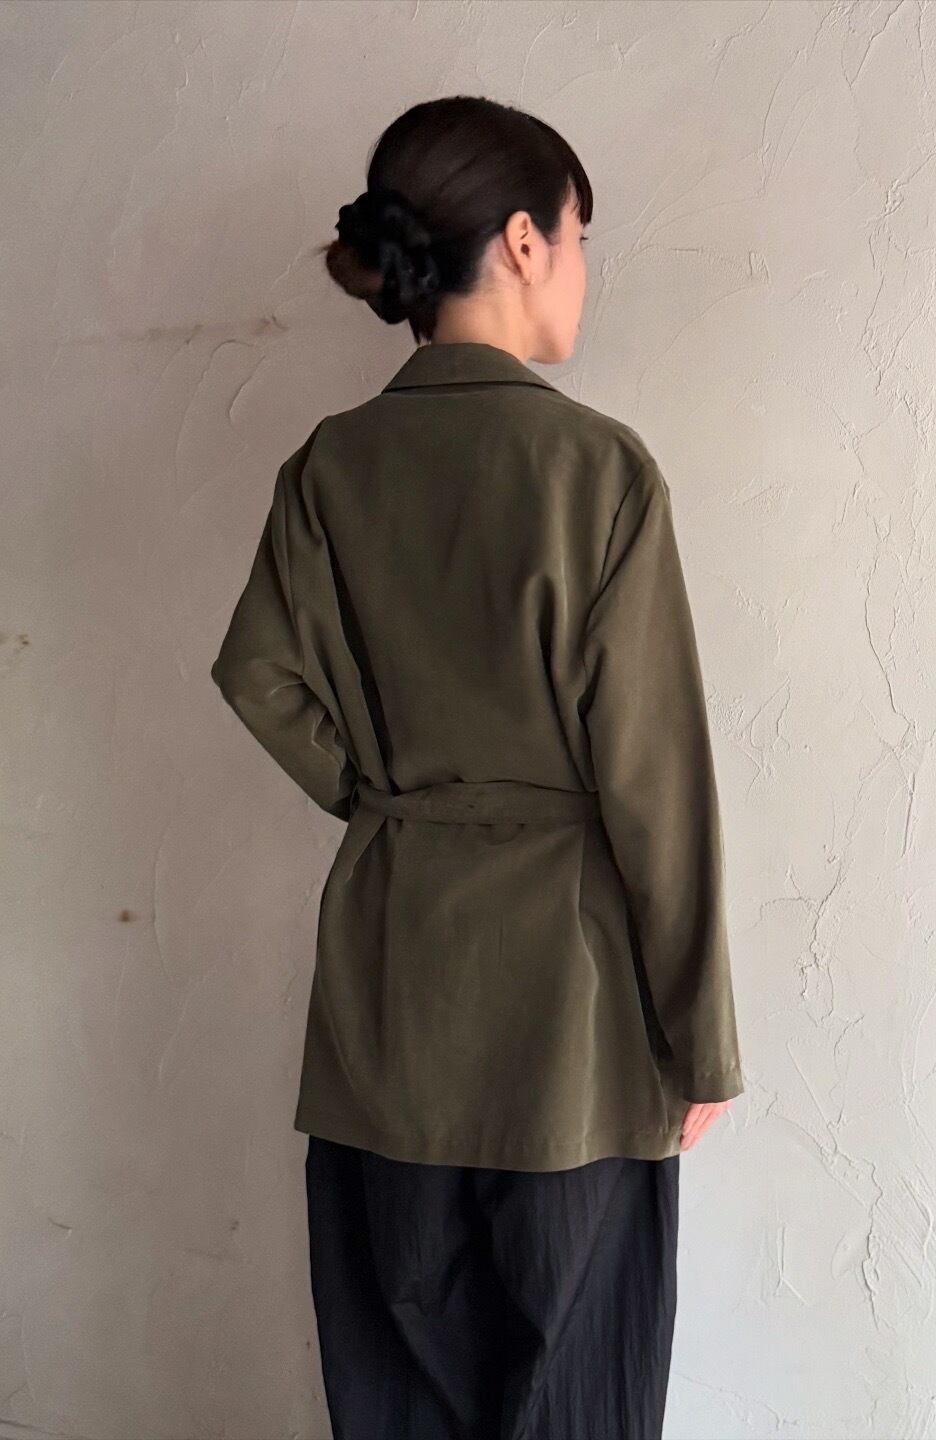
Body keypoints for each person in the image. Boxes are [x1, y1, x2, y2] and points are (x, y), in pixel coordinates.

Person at [209, 94, 745, 1440]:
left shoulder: (328, 470)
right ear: (520, 241)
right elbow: (656, 782)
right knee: (576, 1397)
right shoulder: (597, 472)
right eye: (579, 236)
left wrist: (383, 800)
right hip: (573, 1023)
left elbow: (258, 675)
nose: (582, 268)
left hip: (390, 996)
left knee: (397, 1389)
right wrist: (701, 1043)